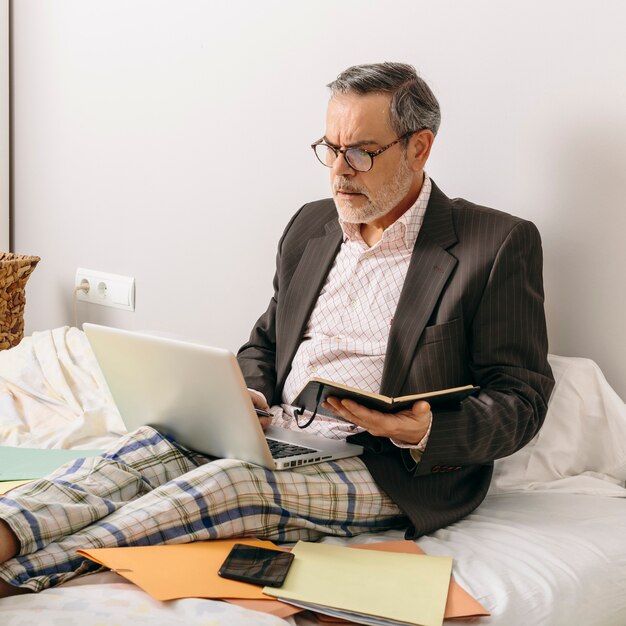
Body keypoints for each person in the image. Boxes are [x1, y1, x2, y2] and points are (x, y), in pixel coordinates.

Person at [0, 62, 554, 597]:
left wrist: (421, 429)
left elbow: (522, 395)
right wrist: (250, 396)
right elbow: (264, 342)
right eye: (331, 149)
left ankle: (21, 574)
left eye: (361, 152)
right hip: (276, 434)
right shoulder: (311, 223)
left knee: (228, 488)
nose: (339, 170)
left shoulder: (496, 243)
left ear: (420, 147)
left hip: (384, 465)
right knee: (135, 455)